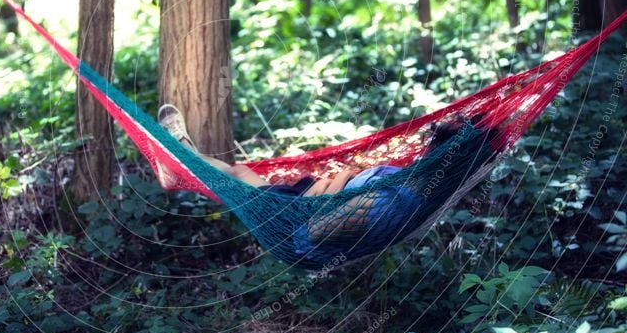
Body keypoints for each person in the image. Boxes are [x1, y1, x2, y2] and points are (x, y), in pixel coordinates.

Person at [158, 104, 493, 254]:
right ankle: (182, 159)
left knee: (236, 178)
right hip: (304, 200)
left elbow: (312, 233)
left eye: (437, 136)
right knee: (240, 172)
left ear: (443, 155)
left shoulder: (386, 202)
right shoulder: (415, 184)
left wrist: (335, 184)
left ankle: (181, 160)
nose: (427, 138)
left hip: (290, 219)